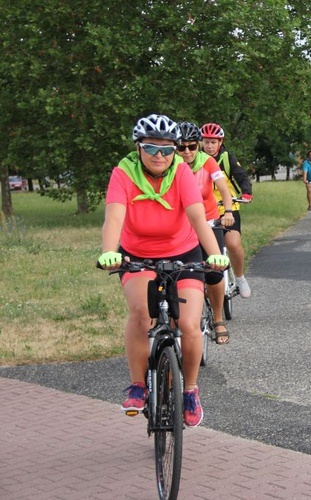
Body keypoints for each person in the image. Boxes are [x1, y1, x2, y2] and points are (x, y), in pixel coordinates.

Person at [98, 114, 229, 428]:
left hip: (184, 251)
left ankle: (191, 392)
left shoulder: (182, 172)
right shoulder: (123, 172)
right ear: (139, 147)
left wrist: (214, 255)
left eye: (168, 149)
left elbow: (198, 217)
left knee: (189, 323)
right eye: (152, 148)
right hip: (137, 254)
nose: (160, 155)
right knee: (142, 314)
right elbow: (114, 217)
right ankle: (138, 384)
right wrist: (109, 252)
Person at [178, 122, 234, 344]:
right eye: (181, 148)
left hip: (209, 221)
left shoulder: (208, 162)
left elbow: (223, 189)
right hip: (182, 226)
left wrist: (227, 211)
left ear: (198, 145)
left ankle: (218, 319)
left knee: (214, 271)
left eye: (192, 146)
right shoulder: (171, 166)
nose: (187, 152)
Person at [200, 123, 253, 299]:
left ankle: (240, 277)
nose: (209, 146)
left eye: (213, 142)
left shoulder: (226, 157)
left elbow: (241, 175)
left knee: (233, 244)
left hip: (227, 206)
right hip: (204, 209)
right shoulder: (196, 159)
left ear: (220, 142)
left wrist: (246, 192)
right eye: (206, 142)